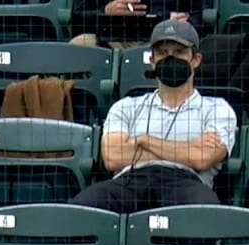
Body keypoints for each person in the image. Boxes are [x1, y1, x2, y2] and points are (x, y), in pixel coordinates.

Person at [71, 21, 236, 213]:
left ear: (196, 59)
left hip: (185, 183)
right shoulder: (126, 106)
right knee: (81, 206)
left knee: (204, 210)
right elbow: (112, 157)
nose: (170, 58)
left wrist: (143, 141)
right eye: (163, 53)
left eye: (179, 52)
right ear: (152, 60)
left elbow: (202, 159)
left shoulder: (217, 108)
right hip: (130, 180)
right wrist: (188, 149)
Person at [70, 0, 202, 49]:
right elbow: (77, 18)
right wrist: (105, 11)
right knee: (78, 46)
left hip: (163, 40)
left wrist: (176, 21)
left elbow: (201, 15)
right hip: (107, 38)